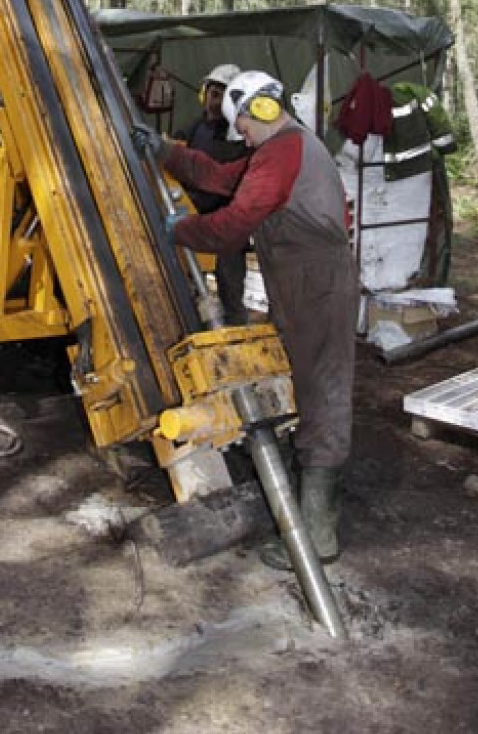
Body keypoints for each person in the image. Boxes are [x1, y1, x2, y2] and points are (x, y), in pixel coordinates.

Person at [132, 69, 359, 567]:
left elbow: (233, 226)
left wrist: (182, 231)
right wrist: (165, 150)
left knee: (323, 393)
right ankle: (309, 517)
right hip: (303, 285)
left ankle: (317, 536)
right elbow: (220, 178)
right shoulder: (279, 149)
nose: (245, 137)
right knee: (313, 387)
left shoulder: (286, 150)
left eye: (246, 128)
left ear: (262, 110)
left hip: (317, 285)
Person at [174, 63, 250, 325]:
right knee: (190, 286)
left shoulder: (239, 137)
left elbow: (223, 180)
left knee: (230, 290)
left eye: (221, 95)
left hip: (226, 227)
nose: (213, 101)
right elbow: (178, 150)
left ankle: (238, 336)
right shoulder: (197, 128)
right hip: (197, 219)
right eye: (211, 93)